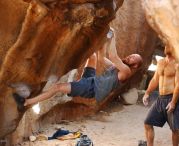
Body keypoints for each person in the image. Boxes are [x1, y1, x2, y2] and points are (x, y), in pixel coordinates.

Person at [13, 28, 143, 108]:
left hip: (92, 89)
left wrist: (113, 36)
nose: (130, 57)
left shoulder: (126, 72)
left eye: (133, 58)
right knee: (92, 56)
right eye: (131, 55)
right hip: (92, 81)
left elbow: (113, 57)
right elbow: (102, 58)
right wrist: (102, 39)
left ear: (135, 65)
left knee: (57, 88)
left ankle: (26, 102)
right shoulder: (119, 67)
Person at [142, 45, 179, 146]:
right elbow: (155, 79)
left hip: (172, 98)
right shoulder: (161, 62)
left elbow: (178, 84)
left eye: (169, 45)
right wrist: (147, 93)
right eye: (166, 45)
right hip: (160, 99)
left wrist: (173, 102)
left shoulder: (178, 64)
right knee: (147, 122)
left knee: (174, 129)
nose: (166, 46)